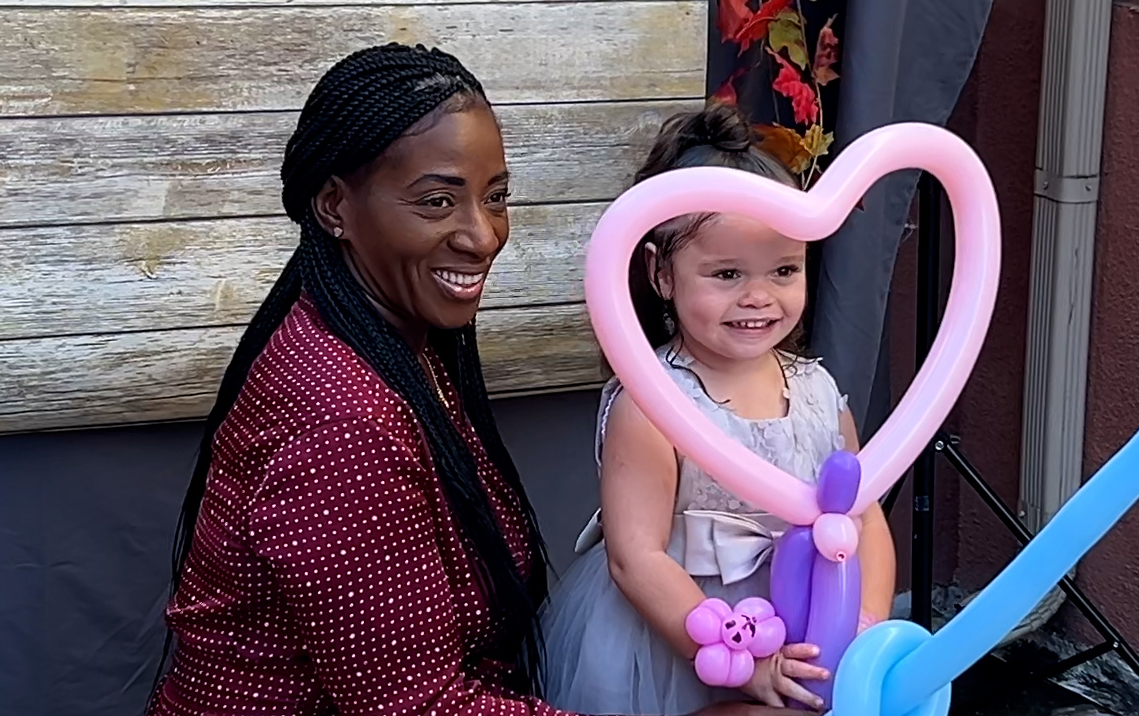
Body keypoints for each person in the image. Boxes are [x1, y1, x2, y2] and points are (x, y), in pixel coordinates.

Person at [145, 43, 801, 716]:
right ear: (335, 206)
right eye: (437, 201)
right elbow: (420, 708)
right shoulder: (339, 425)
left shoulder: (398, 348)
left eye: (496, 198)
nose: (482, 235)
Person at [538, 104, 898, 716]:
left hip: (804, 631)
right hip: (676, 641)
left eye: (784, 269)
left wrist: (863, 629)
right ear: (661, 274)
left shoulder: (815, 390)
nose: (758, 296)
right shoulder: (652, 403)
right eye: (726, 273)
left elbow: (863, 520)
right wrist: (741, 662)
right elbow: (636, 557)